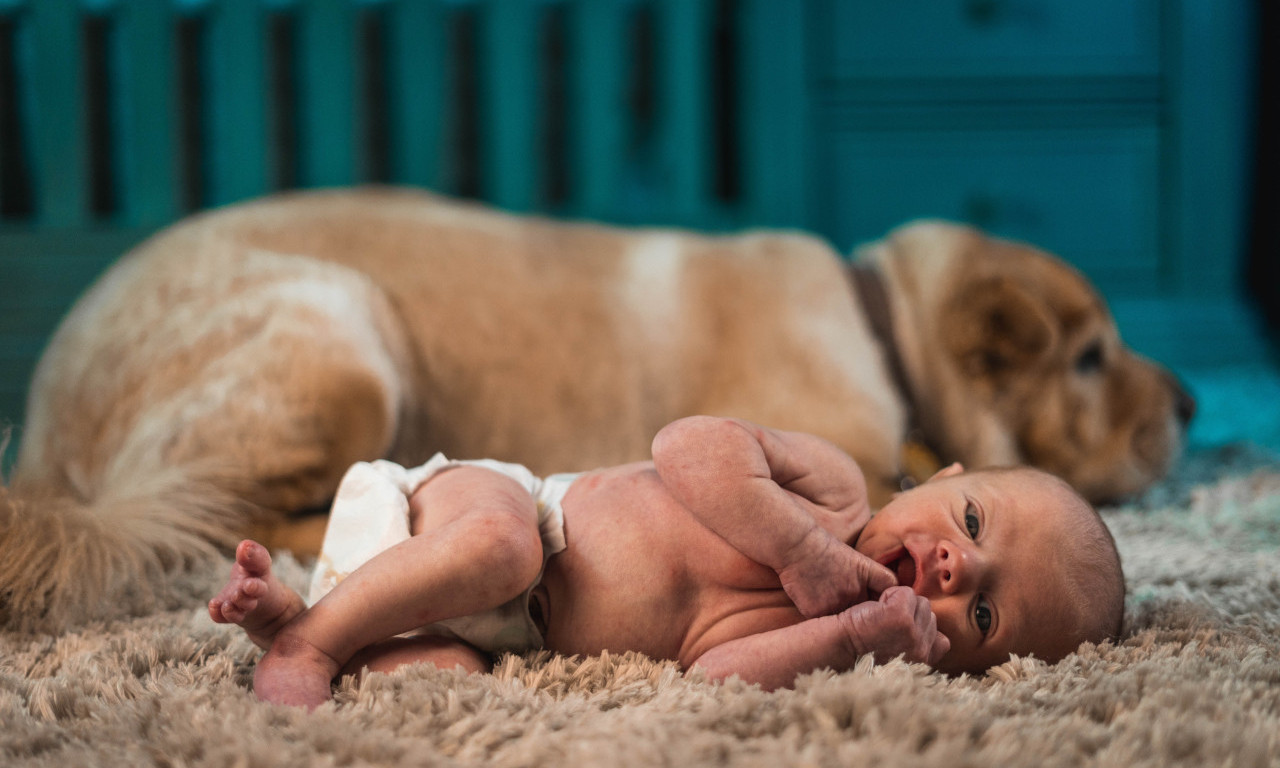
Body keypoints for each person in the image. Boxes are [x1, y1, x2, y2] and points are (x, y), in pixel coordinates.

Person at [209, 416, 1125, 708]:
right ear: (948, 475)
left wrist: (848, 637)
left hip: (483, 622)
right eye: (971, 519)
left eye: (988, 618)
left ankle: (303, 614)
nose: (958, 567)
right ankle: (309, 649)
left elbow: (712, 670)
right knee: (499, 550)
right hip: (488, 505)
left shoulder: (814, 632)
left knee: (444, 684)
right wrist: (801, 547)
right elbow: (686, 444)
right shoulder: (835, 490)